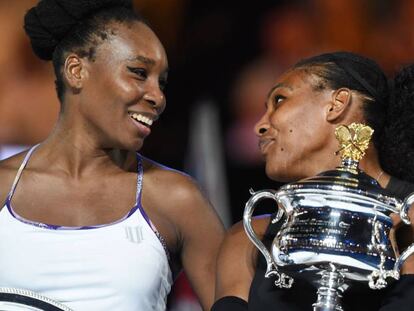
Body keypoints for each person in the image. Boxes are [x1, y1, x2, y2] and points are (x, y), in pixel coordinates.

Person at [0, 1, 225, 310]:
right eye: (138, 72)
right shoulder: (3, 187)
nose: (158, 97)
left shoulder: (177, 199)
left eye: (162, 82)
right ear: (76, 71)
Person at [212, 51, 414, 310]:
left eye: (279, 100)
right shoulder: (248, 238)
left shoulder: (408, 220)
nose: (260, 126)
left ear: (337, 104)